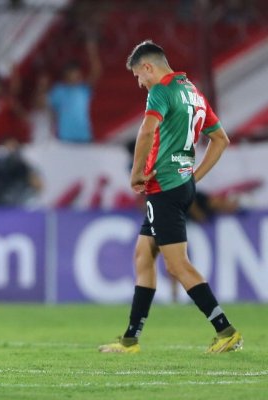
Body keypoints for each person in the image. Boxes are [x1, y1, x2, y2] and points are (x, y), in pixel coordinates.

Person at [98, 40, 242, 354]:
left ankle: (226, 331)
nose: (140, 82)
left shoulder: (161, 91)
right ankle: (130, 340)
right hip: (179, 185)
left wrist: (136, 173)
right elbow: (220, 139)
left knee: (177, 266)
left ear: (148, 66)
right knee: (143, 256)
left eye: (139, 75)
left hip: (163, 188)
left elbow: (147, 131)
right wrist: (193, 177)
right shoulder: (192, 91)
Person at [48, 35, 101, 143]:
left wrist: (92, 52)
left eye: (78, 75)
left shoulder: (83, 89)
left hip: (84, 136)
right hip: (64, 137)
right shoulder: (58, 90)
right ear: (66, 76)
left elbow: (96, 72)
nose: (78, 77)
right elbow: (52, 112)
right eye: (74, 75)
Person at [0, 137, 42, 207]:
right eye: (7, 147)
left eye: (13, 147)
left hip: (21, 200)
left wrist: (25, 169)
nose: (10, 151)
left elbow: (38, 186)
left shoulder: (24, 164)